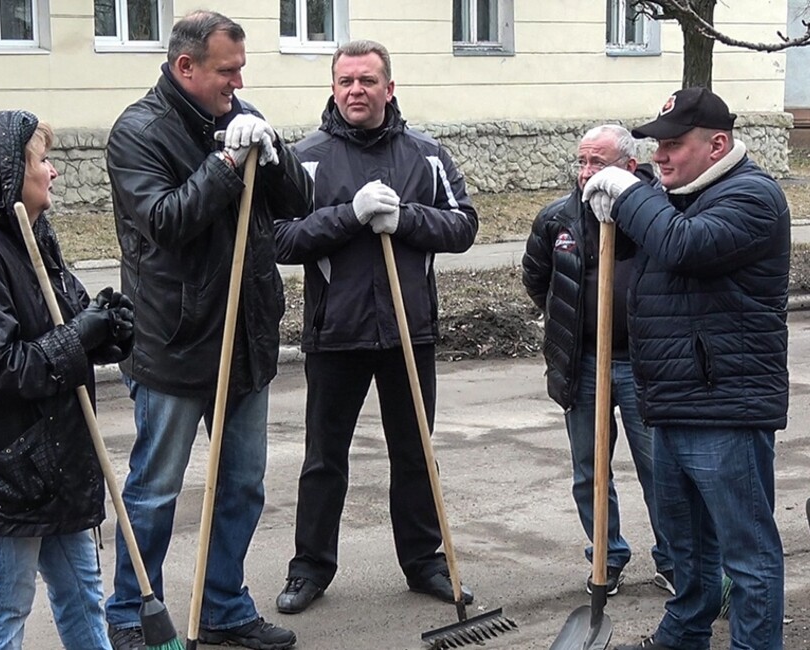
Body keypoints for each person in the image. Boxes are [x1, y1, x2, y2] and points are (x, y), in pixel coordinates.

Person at [102, 10, 312, 650]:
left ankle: (223, 605)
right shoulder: (137, 133)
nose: (237, 80)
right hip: (173, 341)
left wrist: (269, 154)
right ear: (185, 66)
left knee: (243, 484)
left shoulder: (239, 114)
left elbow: (297, 204)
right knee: (156, 490)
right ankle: (133, 614)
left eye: (241, 68)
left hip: (245, 337)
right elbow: (165, 221)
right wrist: (226, 162)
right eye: (228, 69)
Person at [272, 39, 479, 615]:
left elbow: (464, 226)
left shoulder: (426, 154)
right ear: (333, 89)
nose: (356, 91)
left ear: (390, 88)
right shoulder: (305, 158)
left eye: (367, 81)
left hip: (409, 332)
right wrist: (351, 215)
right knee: (323, 459)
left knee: (414, 453)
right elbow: (281, 239)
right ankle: (310, 567)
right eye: (346, 82)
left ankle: (425, 562)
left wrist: (405, 218)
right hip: (335, 333)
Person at [582, 87, 789, 650]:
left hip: (725, 408)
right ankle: (682, 637)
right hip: (671, 403)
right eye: (655, 147)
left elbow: (683, 247)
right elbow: (625, 251)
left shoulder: (752, 197)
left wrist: (630, 193)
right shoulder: (675, 196)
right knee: (688, 553)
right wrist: (597, 203)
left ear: (718, 144)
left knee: (747, 556)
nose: (660, 158)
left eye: (673, 145)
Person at [0, 110, 134, 649]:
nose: (54, 172)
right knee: (4, 606)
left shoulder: (32, 234)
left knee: (83, 595)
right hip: (6, 472)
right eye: (42, 161)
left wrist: (107, 330)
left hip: (57, 461)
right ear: (9, 173)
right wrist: (79, 338)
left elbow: (61, 322)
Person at [522, 124, 673, 597]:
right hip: (583, 365)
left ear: (630, 168)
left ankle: (674, 560)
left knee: (660, 470)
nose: (587, 174)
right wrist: (568, 323)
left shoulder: (659, 212)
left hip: (644, 365)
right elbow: (536, 277)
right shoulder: (558, 220)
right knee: (589, 470)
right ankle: (606, 557)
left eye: (598, 164)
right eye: (582, 163)